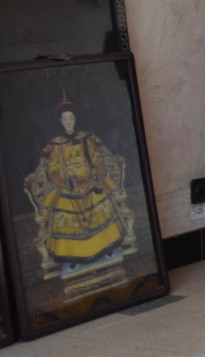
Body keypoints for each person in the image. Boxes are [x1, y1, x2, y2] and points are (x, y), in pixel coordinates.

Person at [24, 98, 130, 272]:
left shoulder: (86, 138)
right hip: (68, 186)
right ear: (60, 121)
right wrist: (64, 181)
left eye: (71, 118)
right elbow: (53, 168)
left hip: (89, 182)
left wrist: (94, 176)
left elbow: (97, 160)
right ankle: (74, 255)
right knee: (66, 209)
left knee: (99, 202)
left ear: (75, 119)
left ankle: (104, 247)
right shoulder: (56, 144)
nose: (68, 121)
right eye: (65, 118)